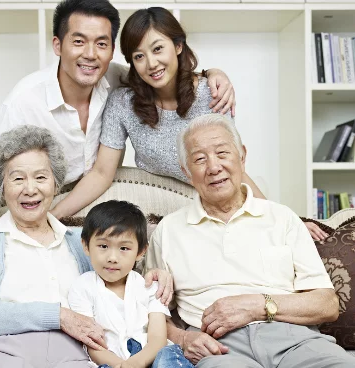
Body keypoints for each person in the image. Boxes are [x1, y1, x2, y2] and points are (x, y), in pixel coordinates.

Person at [0, 0, 237, 259]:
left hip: (94, 192)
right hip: (45, 195)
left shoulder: (117, 78)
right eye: (79, 41)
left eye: (101, 44)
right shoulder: (24, 102)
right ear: (58, 45)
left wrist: (214, 73)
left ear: (112, 51)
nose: (90, 55)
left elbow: (163, 74)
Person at [50, 6, 328, 242]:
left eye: (158, 49)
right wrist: (52, 215)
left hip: (213, 201)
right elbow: (101, 173)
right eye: (138, 56)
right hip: (161, 205)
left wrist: (285, 219)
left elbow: (231, 170)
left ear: (178, 46)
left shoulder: (210, 92)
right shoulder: (123, 103)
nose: (151, 63)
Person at [0, 125, 173, 368]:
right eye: (18, 178)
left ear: (55, 183)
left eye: (41, 177)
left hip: (74, 354)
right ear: (2, 187)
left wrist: (154, 275)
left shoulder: (83, 241)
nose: (30, 189)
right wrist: (60, 316)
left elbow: (122, 287)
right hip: (0, 350)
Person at [145, 113, 355, 368]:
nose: (213, 167)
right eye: (200, 159)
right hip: (221, 349)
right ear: (186, 171)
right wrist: (183, 337)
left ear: (242, 156)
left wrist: (259, 305)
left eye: (222, 153)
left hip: (295, 340)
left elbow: (327, 304)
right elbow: (150, 312)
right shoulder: (168, 231)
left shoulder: (282, 217)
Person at [68, 200, 195, 368]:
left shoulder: (150, 287)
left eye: (124, 249)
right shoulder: (83, 287)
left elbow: (158, 338)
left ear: (141, 251)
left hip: (152, 356)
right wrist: (121, 365)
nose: (112, 257)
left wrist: (138, 362)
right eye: (103, 246)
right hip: (112, 360)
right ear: (86, 245)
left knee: (167, 359)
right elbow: (92, 343)